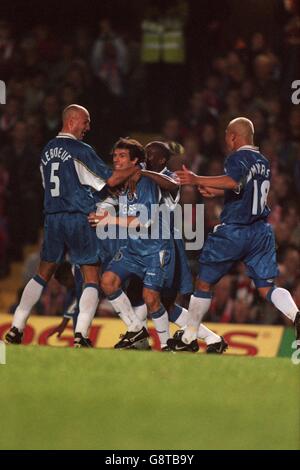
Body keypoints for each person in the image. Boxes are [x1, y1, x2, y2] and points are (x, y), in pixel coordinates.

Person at [5, 105, 140, 347]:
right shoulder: (80, 149)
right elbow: (109, 179)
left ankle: (16, 327)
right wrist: (134, 169)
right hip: (77, 217)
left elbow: (49, 186)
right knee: (91, 276)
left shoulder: (46, 150)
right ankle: (81, 335)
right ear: (72, 121)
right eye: (85, 122)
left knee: (42, 273)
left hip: (53, 217)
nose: (88, 128)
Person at [167, 117, 300, 351]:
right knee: (266, 287)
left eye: (227, 135)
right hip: (260, 231)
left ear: (233, 136)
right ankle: (296, 316)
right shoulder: (264, 161)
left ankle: (188, 339)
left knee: (204, 283)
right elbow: (244, 191)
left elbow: (232, 180)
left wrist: (197, 179)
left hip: (234, 231)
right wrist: (218, 193)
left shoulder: (238, 157)